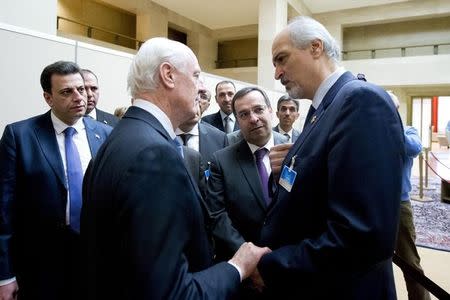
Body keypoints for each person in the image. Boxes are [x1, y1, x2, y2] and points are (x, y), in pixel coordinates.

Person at [81, 37, 270, 300]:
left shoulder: (121, 138)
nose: (203, 88)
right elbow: (172, 292)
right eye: (196, 75)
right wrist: (238, 266)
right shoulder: (154, 154)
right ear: (168, 75)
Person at [258, 16, 405, 299]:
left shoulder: (360, 100)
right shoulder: (321, 109)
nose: (277, 73)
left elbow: (363, 234)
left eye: (281, 59)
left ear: (315, 48)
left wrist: (272, 266)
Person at [0, 61, 112, 300]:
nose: (79, 97)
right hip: (39, 266)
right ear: (48, 98)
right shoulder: (20, 136)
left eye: (81, 89)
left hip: (95, 261)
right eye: (66, 92)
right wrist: (5, 275)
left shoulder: (106, 135)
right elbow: (4, 210)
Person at [206, 87, 288, 299]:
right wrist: (251, 262)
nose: (253, 119)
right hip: (246, 279)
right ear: (237, 120)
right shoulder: (221, 161)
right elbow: (218, 216)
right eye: (243, 114)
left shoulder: (296, 150)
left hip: (292, 267)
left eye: (258, 109)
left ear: (270, 111)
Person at [388, 91, 431, 300]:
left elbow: (414, 148)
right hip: (376, 205)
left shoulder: (408, 130)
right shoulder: (372, 132)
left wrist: (393, 127)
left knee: (410, 262)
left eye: (391, 107)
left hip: (399, 205)